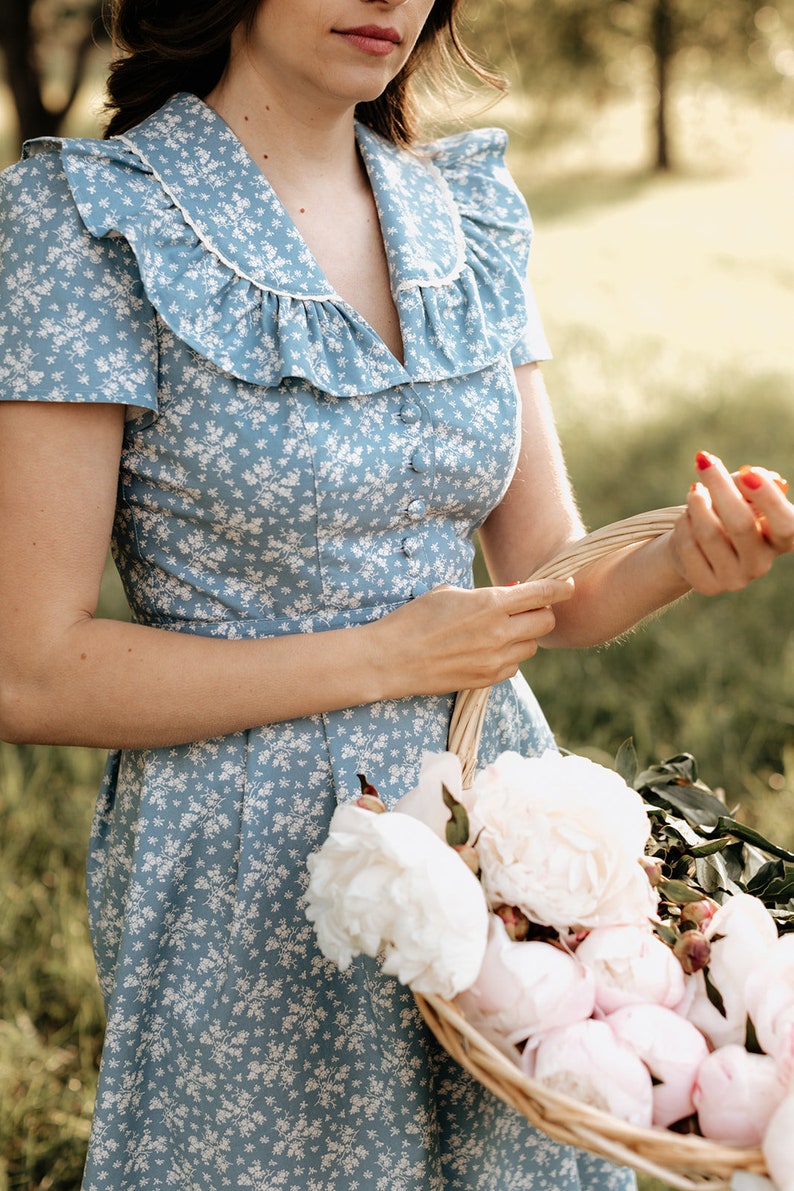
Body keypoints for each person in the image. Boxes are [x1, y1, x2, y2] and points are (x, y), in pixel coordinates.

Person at [0, 0, 792, 1187]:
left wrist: (680, 556)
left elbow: (544, 579)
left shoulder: (463, 210)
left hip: (495, 834)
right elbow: (32, 669)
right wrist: (385, 657)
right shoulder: (89, 219)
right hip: (244, 859)